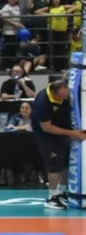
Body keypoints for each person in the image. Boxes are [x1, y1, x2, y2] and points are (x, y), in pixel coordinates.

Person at [32, 80, 86, 210]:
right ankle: (52, 197)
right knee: (54, 165)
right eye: (62, 96)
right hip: (47, 136)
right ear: (54, 93)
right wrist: (72, 133)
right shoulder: (42, 102)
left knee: (65, 163)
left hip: (64, 131)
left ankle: (61, 192)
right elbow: (46, 127)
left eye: (66, 95)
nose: (65, 98)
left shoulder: (66, 94)